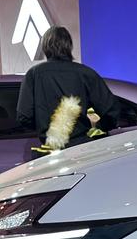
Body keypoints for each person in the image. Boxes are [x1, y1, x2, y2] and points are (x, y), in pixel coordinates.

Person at [17, 26, 118, 154]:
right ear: (69, 46)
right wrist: (99, 128)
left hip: (50, 150)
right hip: (83, 148)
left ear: (45, 47)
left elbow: (24, 116)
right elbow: (111, 111)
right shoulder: (86, 73)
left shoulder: (34, 74)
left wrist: (45, 127)